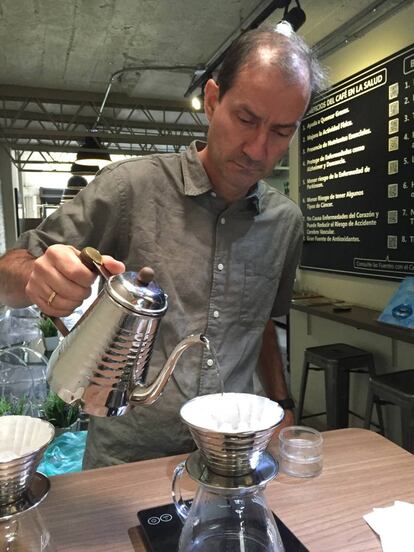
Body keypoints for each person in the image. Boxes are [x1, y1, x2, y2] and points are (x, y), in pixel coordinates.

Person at [0, 25, 327, 468]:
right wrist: (38, 277)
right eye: (246, 119)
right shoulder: (130, 188)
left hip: (229, 454)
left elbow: (263, 321)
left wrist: (283, 400)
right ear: (212, 101)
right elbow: (9, 269)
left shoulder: (285, 223)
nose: (258, 148)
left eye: (281, 131)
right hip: (127, 457)